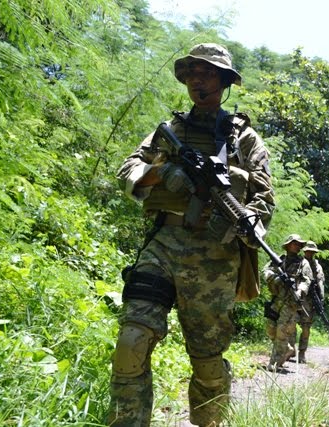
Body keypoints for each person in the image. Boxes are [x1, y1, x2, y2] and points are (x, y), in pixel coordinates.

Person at [108, 43, 275, 427]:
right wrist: (163, 172)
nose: (198, 79)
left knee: (208, 363)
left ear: (224, 81)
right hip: (163, 245)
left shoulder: (244, 139)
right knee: (131, 342)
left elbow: (265, 197)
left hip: (216, 257)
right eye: (193, 73)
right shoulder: (170, 132)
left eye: (208, 72)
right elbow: (127, 170)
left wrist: (248, 218)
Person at [262, 234, 313, 371]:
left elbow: (307, 280)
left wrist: (300, 290)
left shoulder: (303, 263)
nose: (296, 246)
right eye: (294, 243)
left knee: (281, 331)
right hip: (277, 300)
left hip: (291, 302)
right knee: (270, 328)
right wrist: (276, 278)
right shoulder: (279, 259)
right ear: (288, 245)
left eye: (298, 244)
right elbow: (265, 271)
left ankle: (275, 362)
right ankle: (288, 349)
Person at [290, 240, 325, 364]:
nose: (310, 253)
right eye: (308, 251)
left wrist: (321, 298)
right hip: (297, 296)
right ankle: (290, 349)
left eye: (312, 252)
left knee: (306, 328)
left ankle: (302, 352)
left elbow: (320, 282)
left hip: (310, 300)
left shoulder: (317, 266)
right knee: (291, 323)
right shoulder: (299, 262)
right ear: (305, 251)